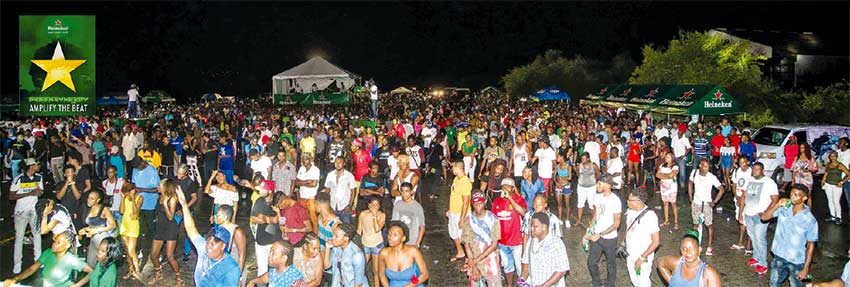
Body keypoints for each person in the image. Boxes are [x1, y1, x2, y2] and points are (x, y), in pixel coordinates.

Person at [174, 184, 242, 286]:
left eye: (213, 244)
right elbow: (191, 229)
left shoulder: (231, 268)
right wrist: (184, 205)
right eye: (208, 240)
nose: (208, 246)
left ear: (223, 246)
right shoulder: (203, 248)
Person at [760, 184, 818, 287]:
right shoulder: (785, 208)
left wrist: (806, 269)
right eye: (791, 194)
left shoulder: (809, 219)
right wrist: (777, 204)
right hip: (779, 256)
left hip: (796, 261)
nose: (792, 197)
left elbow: (811, 245)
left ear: (804, 198)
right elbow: (764, 217)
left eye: (797, 195)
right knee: (773, 284)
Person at [2, 231, 93, 287]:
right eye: (55, 241)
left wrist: (77, 285)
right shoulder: (48, 252)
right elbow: (32, 269)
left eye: (58, 242)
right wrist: (15, 279)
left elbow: (92, 271)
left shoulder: (72, 260)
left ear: (67, 246)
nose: (54, 244)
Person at [585, 174, 622, 287]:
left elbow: (616, 224)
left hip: (609, 238)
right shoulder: (598, 197)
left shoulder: (615, 201)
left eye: (599, 183)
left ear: (607, 185)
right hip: (596, 236)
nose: (597, 185)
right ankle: (596, 283)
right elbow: (596, 216)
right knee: (591, 262)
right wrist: (588, 231)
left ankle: (610, 284)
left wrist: (600, 234)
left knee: (611, 264)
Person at [743, 162, 779, 275]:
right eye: (753, 169)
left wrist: (767, 212)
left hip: (760, 216)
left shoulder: (769, 182)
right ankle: (756, 256)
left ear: (762, 170)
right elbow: (744, 196)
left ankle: (763, 264)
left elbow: (775, 199)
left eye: (757, 169)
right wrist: (741, 213)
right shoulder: (749, 180)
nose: (754, 171)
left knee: (760, 238)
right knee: (752, 236)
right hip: (748, 212)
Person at [461, 191, 502, 287]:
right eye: (475, 203)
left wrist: (474, 261)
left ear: (485, 202)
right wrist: (474, 267)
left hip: (491, 262)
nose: (478, 206)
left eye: (480, 203)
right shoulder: (469, 219)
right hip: (474, 260)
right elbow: (467, 245)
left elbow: (494, 245)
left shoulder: (493, 219)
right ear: (472, 204)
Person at [10, 158, 43, 274]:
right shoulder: (19, 178)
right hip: (21, 212)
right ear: (30, 166)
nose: (38, 166)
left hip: (34, 211)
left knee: (37, 235)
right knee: (19, 238)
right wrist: (30, 193)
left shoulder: (39, 177)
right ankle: (17, 264)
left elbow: (40, 191)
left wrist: (39, 193)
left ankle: (38, 260)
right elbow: (11, 196)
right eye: (36, 165)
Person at [492, 178, 527, 287]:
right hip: (502, 243)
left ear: (512, 189)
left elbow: (523, 212)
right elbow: (494, 221)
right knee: (507, 266)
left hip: (517, 242)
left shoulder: (519, 200)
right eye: (503, 186)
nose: (505, 189)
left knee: (520, 268)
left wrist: (510, 199)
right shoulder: (497, 201)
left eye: (508, 186)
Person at [657, 230, 723, 287]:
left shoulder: (709, 273)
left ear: (699, 250)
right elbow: (660, 263)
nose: (687, 252)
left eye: (691, 249)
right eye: (684, 249)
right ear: (680, 250)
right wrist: (672, 282)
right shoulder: (677, 263)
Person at [520, 212, 569, 287]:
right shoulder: (531, 241)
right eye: (531, 226)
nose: (531, 229)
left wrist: (544, 285)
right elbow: (526, 265)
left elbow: (561, 271)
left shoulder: (556, 243)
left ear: (544, 227)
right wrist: (522, 281)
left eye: (535, 226)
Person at [687, 158, 724, 256]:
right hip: (696, 202)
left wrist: (714, 202)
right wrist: (690, 197)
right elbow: (690, 183)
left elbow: (721, 189)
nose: (707, 168)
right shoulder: (694, 173)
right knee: (695, 224)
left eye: (708, 167)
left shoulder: (711, 177)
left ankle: (709, 246)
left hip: (707, 204)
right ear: (700, 165)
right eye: (705, 166)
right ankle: (695, 244)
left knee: (709, 225)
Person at [624, 189, 660, 287]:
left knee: (643, 281)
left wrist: (642, 258)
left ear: (638, 201)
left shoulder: (650, 216)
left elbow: (656, 241)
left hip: (642, 256)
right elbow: (628, 229)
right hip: (630, 253)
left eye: (629, 200)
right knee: (634, 279)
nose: (627, 202)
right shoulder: (630, 211)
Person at [149, 179, 182, 286]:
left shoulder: (172, 198)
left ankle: (179, 278)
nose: (158, 186)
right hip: (160, 228)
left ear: (165, 187)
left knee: (169, 256)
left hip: (170, 229)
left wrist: (165, 204)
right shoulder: (160, 196)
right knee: (153, 255)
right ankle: (158, 273)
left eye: (160, 185)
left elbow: (171, 217)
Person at [378, 221, 429, 287]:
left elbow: (424, 275)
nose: (390, 237)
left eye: (395, 235)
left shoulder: (413, 251)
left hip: (413, 283)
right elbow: (382, 275)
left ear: (403, 238)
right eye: (389, 234)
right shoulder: (383, 253)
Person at [251, 179, 284, 281]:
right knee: (262, 269)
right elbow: (253, 218)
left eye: (262, 189)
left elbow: (281, 221)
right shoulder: (259, 201)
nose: (260, 191)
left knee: (276, 269)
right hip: (261, 240)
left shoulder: (279, 201)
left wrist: (263, 218)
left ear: (270, 191)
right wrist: (269, 219)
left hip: (275, 242)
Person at [79, 190, 117, 267]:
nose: (89, 200)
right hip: (92, 239)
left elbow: (113, 225)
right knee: (90, 262)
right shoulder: (88, 208)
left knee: (103, 262)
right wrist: (85, 229)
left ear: (98, 200)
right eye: (88, 198)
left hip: (102, 238)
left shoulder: (104, 209)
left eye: (92, 199)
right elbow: (92, 225)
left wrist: (96, 230)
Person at [324, 223, 370, 287]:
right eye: (333, 235)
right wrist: (327, 247)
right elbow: (326, 267)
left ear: (346, 238)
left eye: (336, 236)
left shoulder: (357, 255)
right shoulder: (337, 248)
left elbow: (358, 284)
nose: (333, 238)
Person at [214, 204, 247, 281]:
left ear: (225, 217)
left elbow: (242, 255)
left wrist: (238, 276)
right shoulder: (219, 229)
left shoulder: (236, 231)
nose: (216, 217)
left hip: (234, 268)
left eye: (218, 215)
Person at [358, 198, 386, 287]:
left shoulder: (382, 215)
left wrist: (374, 216)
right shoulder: (363, 214)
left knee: (376, 270)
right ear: (369, 205)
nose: (374, 207)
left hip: (377, 245)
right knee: (361, 267)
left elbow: (377, 229)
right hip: (365, 243)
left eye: (377, 205)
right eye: (372, 205)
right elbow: (359, 230)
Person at [118, 181, 143, 280]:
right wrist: (122, 198)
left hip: (133, 225)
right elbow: (121, 211)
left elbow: (136, 211)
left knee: (131, 250)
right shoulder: (125, 197)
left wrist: (132, 198)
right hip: (125, 224)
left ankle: (137, 270)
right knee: (127, 251)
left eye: (127, 192)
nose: (127, 194)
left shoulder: (139, 198)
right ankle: (131, 270)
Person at [448, 161, 472, 261]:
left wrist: (462, 218)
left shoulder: (465, 182)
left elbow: (466, 202)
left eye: (453, 168)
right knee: (453, 233)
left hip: (461, 213)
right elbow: (454, 195)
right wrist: (450, 210)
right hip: (453, 212)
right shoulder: (456, 179)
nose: (452, 169)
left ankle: (469, 259)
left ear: (458, 168)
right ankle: (460, 252)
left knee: (465, 237)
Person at [130, 157, 160, 237]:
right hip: (138, 203)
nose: (137, 170)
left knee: (151, 226)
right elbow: (134, 183)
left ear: (142, 163)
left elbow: (157, 189)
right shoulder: (135, 169)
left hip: (150, 204)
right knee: (139, 226)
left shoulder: (152, 171)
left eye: (138, 168)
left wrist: (141, 189)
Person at [176, 165, 199, 262]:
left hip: (187, 210)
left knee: (188, 231)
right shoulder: (175, 180)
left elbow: (194, 198)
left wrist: (184, 208)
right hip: (176, 209)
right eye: (177, 173)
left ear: (185, 173)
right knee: (172, 229)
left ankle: (187, 252)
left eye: (180, 174)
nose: (178, 176)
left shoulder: (191, 183)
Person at [324, 156, 357, 223]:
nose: (338, 164)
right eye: (336, 162)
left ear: (344, 164)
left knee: (346, 230)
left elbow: (353, 191)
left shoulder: (349, 176)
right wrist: (327, 205)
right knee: (333, 229)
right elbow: (327, 190)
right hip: (333, 207)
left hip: (344, 208)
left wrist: (349, 205)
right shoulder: (330, 175)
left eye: (340, 162)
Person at [392, 182, 426, 247]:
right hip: (399, 241)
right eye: (402, 191)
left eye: (407, 191)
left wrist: (417, 244)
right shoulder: (397, 204)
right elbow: (394, 223)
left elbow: (422, 227)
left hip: (412, 242)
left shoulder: (417, 207)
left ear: (411, 192)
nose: (404, 194)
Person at [730, 156, 752, 252]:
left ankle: (748, 243)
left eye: (744, 162)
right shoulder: (737, 171)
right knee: (741, 220)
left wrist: (744, 198)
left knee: (748, 220)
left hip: (748, 199)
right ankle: (741, 242)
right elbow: (734, 185)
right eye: (740, 163)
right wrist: (736, 196)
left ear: (748, 162)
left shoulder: (751, 172)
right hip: (739, 197)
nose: (742, 164)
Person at [821, 151, 850, 225]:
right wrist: (823, 181)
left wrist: (842, 182)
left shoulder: (840, 165)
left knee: (836, 201)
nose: (832, 157)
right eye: (831, 156)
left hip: (836, 185)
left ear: (837, 157)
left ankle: (839, 217)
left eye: (834, 156)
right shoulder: (828, 164)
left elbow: (848, 174)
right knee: (830, 201)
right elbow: (826, 173)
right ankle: (833, 215)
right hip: (828, 185)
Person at [294, 153, 321, 232]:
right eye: (303, 159)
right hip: (302, 197)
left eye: (306, 159)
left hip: (311, 197)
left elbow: (314, 184)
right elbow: (296, 183)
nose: (304, 161)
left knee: (314, 219)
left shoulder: (315, 170)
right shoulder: (301, 168)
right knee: (304, 218)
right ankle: (307, 233)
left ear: (310, 159)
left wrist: (302, 182)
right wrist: (307, 182)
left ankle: (316, 235)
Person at [576, 152, 600, 226]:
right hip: (581, 187)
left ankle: (594, 220)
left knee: (592, 204)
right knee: (580, 204)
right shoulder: (579, 166)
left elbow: (598, 175)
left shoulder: (594, 166)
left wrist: (593, 181)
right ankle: (579, 220)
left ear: (588, 159)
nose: (582, 160)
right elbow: (578, 174)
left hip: (591, 188)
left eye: (584, 159)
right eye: (582, 159)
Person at [657, 153, 680, 230]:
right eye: (666, 157)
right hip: (663, 187)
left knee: (673, 204)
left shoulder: (675, 166)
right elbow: (657, 175)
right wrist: (667, 175)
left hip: (671, 187)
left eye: (668, 157)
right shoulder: (662, 165)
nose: (666, 158)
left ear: (672, 158)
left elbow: (671, 175)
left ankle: (676, 221)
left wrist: (663, 175)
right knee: (665, 203)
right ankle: (666, 220)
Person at [101, 166, 124, 235]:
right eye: (108, 173)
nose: (109, 174)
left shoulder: (121, 182)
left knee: (121, 231)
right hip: (109, 210)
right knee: (110, 231)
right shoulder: (104, 183)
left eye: (111, 172)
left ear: (115, 172)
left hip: (118, 210)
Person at [554, 154, 573, 227]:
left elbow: (570, 177)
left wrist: (561, 177)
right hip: (558, 186)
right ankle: (560, 218)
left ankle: (567, 219)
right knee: (559, 204)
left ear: (562, 157)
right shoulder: (557, 166)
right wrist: (556, 183)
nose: (557, 158)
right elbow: (554, 176)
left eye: (558, 157)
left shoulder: (568, 166)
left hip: (566, 186)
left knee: (567, 204)